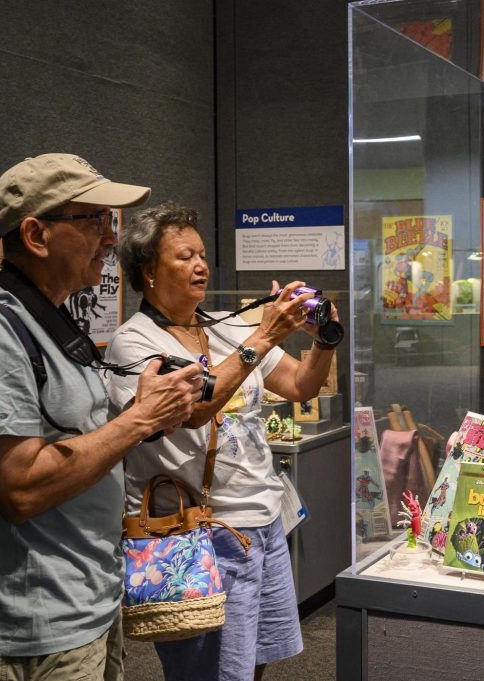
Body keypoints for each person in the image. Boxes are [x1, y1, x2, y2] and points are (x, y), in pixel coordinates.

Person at [0, 154, 204, 680]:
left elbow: (75, 439)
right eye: (94, 219)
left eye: (109, 221)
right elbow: (20, 489)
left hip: (89, 606)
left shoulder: (45, 318)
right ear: (35, 235)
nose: (109, 238)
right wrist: (140, 420)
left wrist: (139, 409)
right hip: (37, 626)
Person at [104, 201, 338, 681]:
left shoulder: (226, 326)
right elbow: (193, 410)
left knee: (254, 664)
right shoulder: (136, 342)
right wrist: (264, 335)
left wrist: (323, 339)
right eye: (184, 256)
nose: (201, 265)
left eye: (203, 254)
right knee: (206, 673)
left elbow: (301, 387)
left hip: (264, 518)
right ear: (148, 271)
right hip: (199, 531)